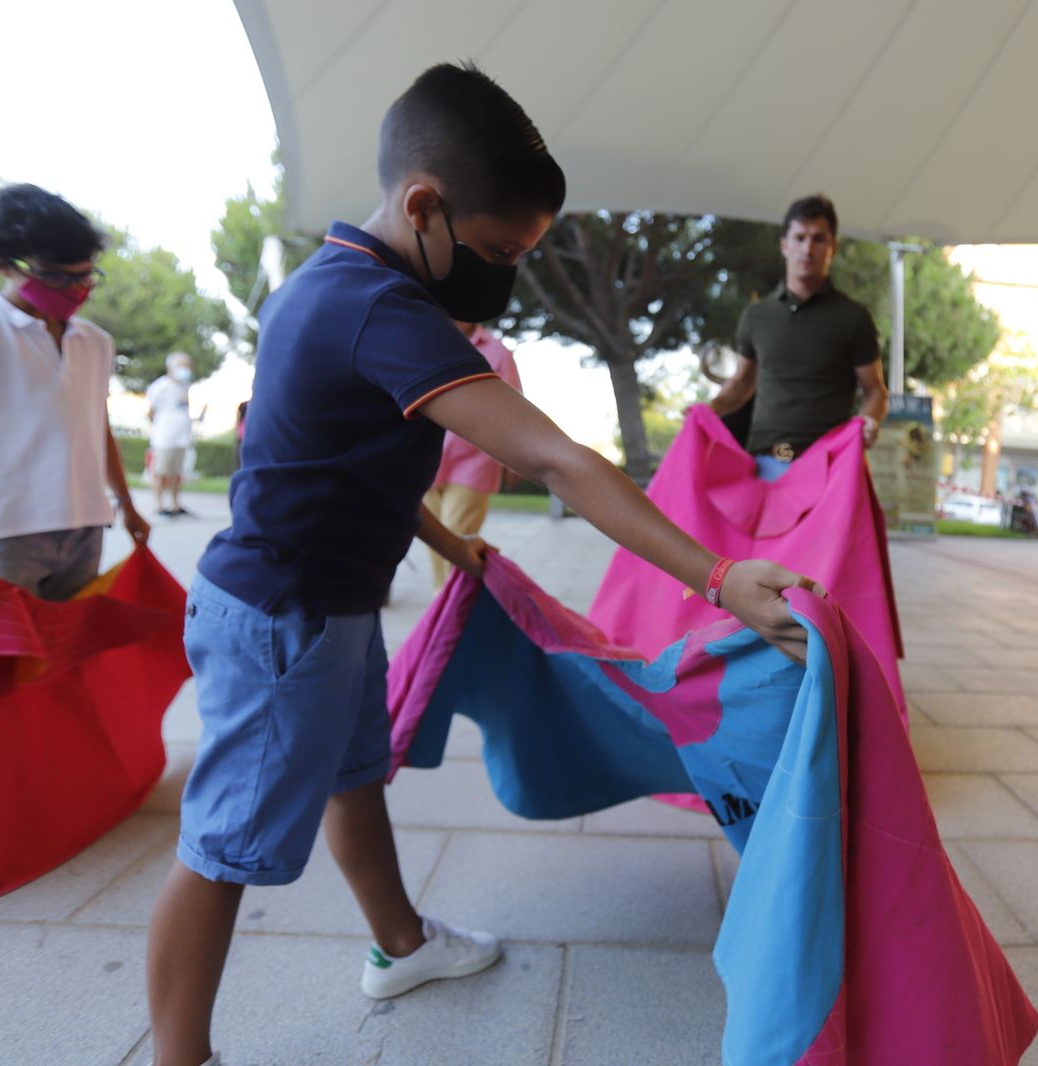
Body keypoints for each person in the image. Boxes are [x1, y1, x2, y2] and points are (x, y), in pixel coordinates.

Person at [145, 63, 815, 1066]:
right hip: (283, 622)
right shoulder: (382, 310)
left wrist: (447, 540)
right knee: (221, 849)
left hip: (322, 608)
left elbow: (326, 459)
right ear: (424, 206)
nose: (503, 273)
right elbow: (553, 456)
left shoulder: (323, 287)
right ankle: (177, 1055)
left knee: (354, 776)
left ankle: (399, 944)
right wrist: (716, 577)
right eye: (499, 250)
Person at [0, 184, 150, 600]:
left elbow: (96, 425)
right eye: (54, 275)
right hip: (4, 533)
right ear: (1, 264)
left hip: (85, 528)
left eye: (85, 275)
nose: (75, 288)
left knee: (64, 661)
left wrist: (125, 503)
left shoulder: (96, 341)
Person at [708, 194, 888, 481]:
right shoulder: (757, 315)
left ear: (833, 248)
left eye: (818, 239)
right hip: (764, 465)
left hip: (830, 467)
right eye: (800, 237)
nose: (808, 248)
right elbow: (741, 384)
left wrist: (869, 421)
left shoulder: (854, 317)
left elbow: (876, 390)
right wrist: (706, 413)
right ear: (784, 245)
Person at [423, 319, 522, 586]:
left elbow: (512, 406)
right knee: (435, 541)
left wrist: (515, 462)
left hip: (475, 460)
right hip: (428, 455)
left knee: (455, 537)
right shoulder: (427, 341)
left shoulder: (497, 352)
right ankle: (444, 603)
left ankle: (448, 606)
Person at [146, 352, 202, 517]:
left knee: (176, 473)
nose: (186, 369)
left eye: (188, 366)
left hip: (182, 437)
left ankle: (175, 504)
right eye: (182, 365)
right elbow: (151, 412)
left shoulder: (185, 385)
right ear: (171, 367)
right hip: (165, 438)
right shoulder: (160, 386)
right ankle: (160, 505)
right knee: (160, 472)